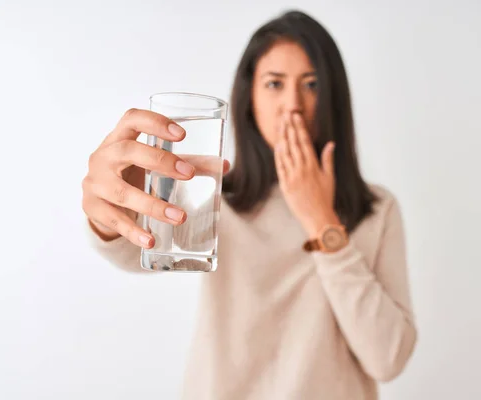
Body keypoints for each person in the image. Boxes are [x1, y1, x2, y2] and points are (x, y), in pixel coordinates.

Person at [82, 9, 417, 400]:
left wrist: (321, 221)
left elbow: (388, 358)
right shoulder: (215, 196)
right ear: (249, 99)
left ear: (333, 98)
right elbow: (134, 251)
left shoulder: (377, 210)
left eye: (311, 85)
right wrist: (110, 213)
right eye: (274, 84)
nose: (292, 105)